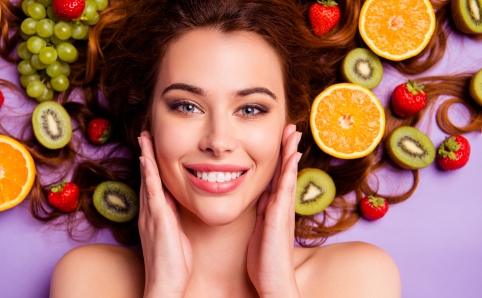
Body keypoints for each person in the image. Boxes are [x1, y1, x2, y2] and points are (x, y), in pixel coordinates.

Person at [42, 0, 402, 297]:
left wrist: (278, 289)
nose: (218, 141)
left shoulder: (358, 280)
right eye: (186, 106)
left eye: (250, 109)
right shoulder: (89, 280)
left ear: (289, 127)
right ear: (146, 122)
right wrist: (162, 290)